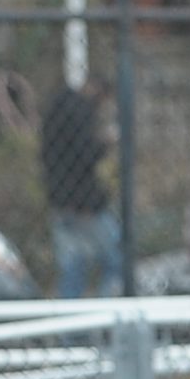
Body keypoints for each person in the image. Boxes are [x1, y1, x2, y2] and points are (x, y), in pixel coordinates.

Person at [39, 74, 124, 299]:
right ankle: (106, 316)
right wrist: (105, 141)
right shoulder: (81, 112)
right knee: (116, 259)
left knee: (73, 267)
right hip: (85, 203)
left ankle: (72, 329)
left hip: (60, 199)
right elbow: (85, 154)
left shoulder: (57, 108)